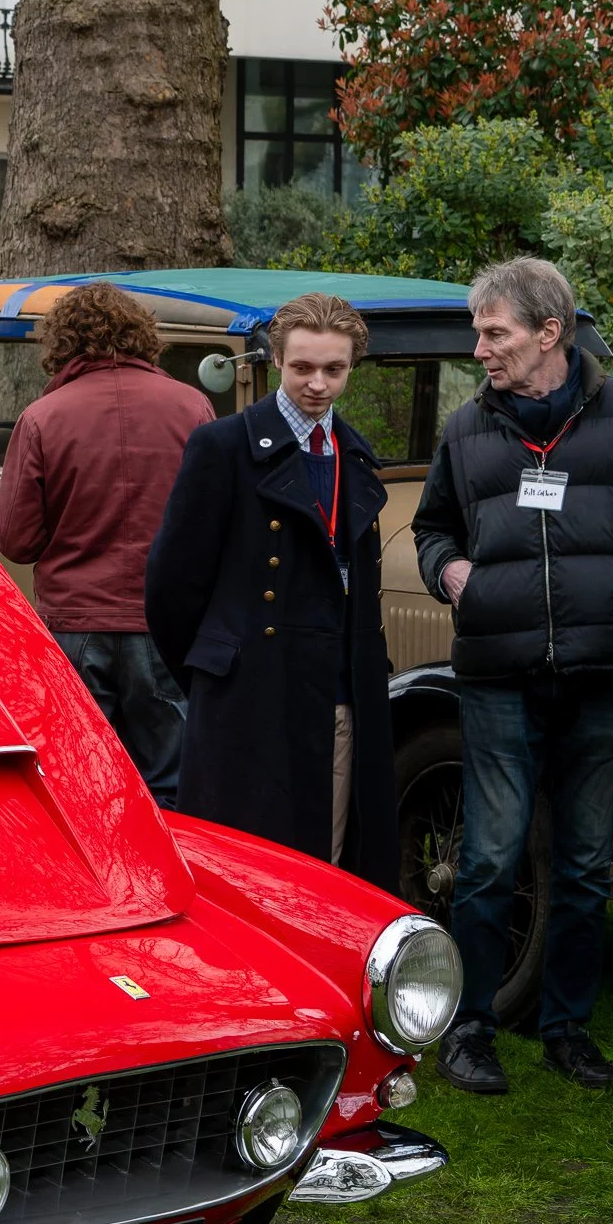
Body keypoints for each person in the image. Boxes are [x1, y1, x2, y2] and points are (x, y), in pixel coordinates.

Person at [411, 257, 613, 1096]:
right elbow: (432, 529)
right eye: (479, 332)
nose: (480, 347)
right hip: (499, 671)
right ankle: (470, 1030)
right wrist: (452, 574)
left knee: (582, 862)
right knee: (492, 857)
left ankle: (567, 1028)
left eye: (494, 332)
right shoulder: (467, 429)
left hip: (601, 673)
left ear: (549, 332)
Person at [145, 292, 396, 885]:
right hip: (247, 701)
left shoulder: (355, 456)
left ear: (351, 367)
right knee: (246, 872)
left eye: (334, 370)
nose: (317, 384)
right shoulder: (224, 447)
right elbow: (172, 586)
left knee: (328, 868)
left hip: (337, 694)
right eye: (302, 368)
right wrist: (218, 674)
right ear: (275, 361)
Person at [0, 282, 211, 805]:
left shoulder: (43, 418)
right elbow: (214, 525)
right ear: (143, 335)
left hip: (75, 625)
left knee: (81, 787)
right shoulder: (193, 407)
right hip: (165, 624)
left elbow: (17, 541)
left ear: (62, 343)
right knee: (173, 785)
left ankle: (96, 888)